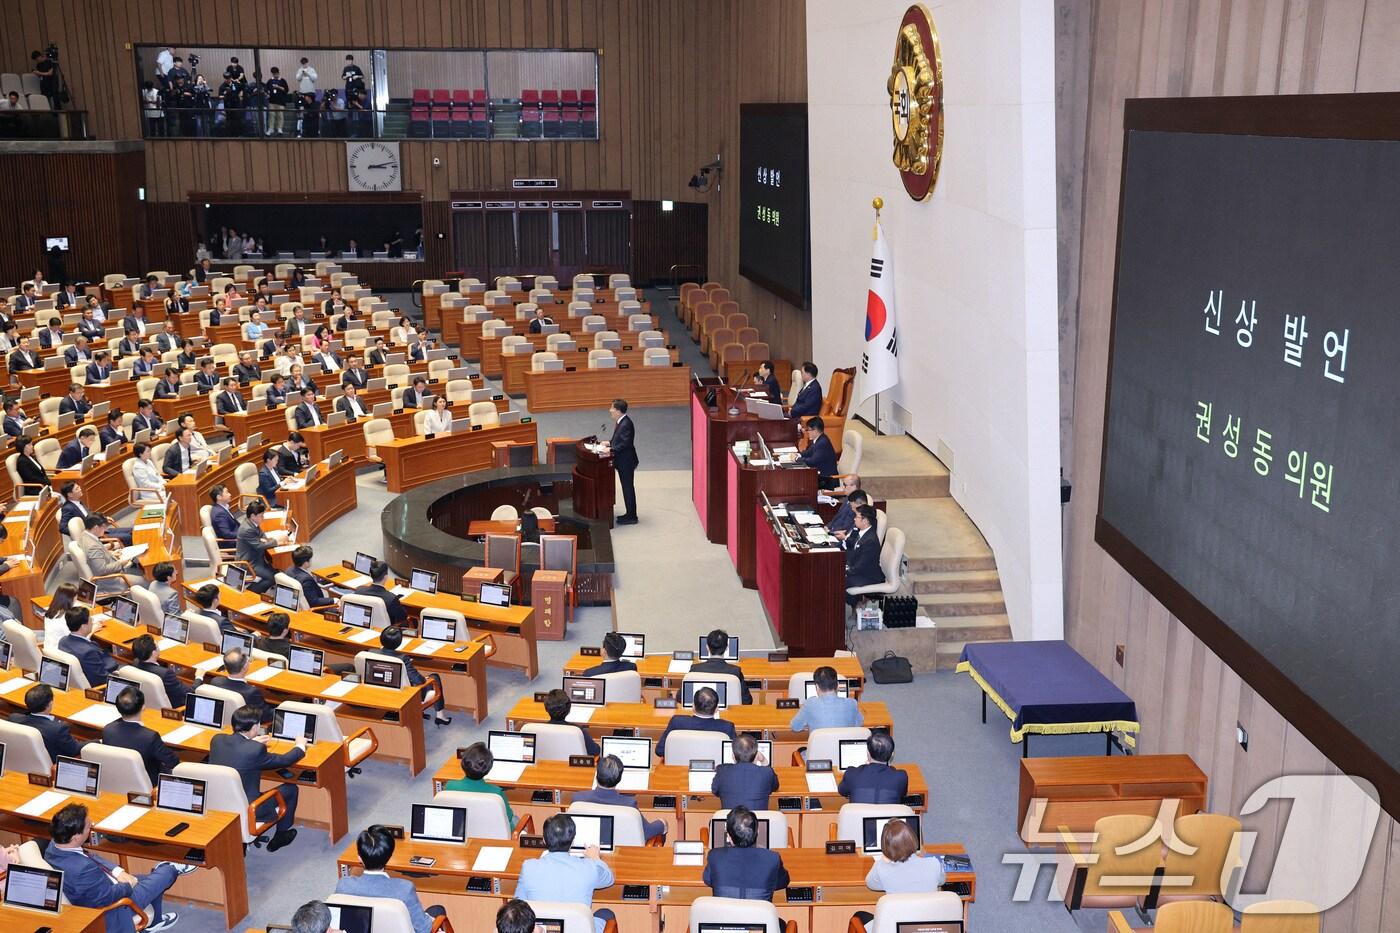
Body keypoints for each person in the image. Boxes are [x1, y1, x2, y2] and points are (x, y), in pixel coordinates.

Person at [46, 802, 190, 932]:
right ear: (76, 837)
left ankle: (155, 922)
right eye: (88, 826)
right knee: (167, 873)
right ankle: (171, 867)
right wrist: (127, 884)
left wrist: (117, 871)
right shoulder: (82, 869)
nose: (92, 825)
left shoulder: (55, 845)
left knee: (151, 880)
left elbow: (87, 855)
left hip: (102, 885)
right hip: (116, 906)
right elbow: (106, 897)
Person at [208, 705, 304, 851]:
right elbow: (284, 760)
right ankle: (281, 836)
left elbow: (238, 751)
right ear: (254, 727)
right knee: (291, 789)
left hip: (219, 803)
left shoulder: (217, 740)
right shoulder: (255, 750)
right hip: (250, 808)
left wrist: (251, 743)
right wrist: (300, 746)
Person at [334, 826, 447, 932]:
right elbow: (424, 929)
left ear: (360, 858)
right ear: (390, 856)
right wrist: (428, 918)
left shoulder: (343, 885)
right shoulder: (404, 890)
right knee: (437, 910)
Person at [515, 814, 615, 933]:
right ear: (573, 840)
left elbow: (517, 904)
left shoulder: (528, 867)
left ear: (543, 840)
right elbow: (609, 879)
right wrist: (596, 858)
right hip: (579, 930)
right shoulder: (589, 868)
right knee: (606, 913)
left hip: (542, 929)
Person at [702, 806, 789, 901]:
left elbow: (708, 880)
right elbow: (783, 882)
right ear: (758, 832)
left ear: (729, 837)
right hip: (760, 916)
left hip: (724, 916)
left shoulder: (714, 856)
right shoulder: (772, 859)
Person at [575, 754, 666, 841]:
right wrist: (662, 823)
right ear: (619, 779)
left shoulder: (578, 798)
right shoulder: (629, 805)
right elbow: (646, 832)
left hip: (587, 850)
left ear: (596, 776)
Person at [103, 686, 180, 785]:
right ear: (143, 707)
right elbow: (173, 762)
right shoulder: (150, 737)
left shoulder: (108, 730)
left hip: (116, 780)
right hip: (149, 783)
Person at [378, 625, 451, 724]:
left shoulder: (371, 652)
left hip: (381, 692)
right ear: (399, 642)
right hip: (405, 695)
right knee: (434, 677)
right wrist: (424, 678)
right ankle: (440, 716)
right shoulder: (403, 658)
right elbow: (418, 680)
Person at [864, 818, 945, 898]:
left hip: (899, 911)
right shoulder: (934, 864)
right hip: (927, 911)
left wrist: (882, 861)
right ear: (913, 838)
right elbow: (942, 881)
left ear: (885, 847)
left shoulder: (882, 869)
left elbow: (870, 884)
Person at [444, 743, 514, 826]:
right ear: (488, 768)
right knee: (515, 819)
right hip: (492, 833)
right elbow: (508, 816)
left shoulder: (450, 786)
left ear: (463, 763)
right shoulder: (496, 793)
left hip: (462, 831)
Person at [656, 686, 735, 757]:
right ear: (716, 709)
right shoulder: (727, 727)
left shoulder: (677, 722)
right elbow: (734, 756)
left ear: (693, 706)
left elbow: (660, 751)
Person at [10, 683, 82, 761]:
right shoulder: (57, 729)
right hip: (52, 764)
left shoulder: (14, 718)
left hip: (22, 760)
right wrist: (95, 741)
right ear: (50, 703)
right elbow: (74, 750)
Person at [711, 732, 779, 812]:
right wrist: (764, 761)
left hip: (731, 823)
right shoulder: (767, 772)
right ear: (757, 754)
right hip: (757, 823)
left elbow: (715, 790)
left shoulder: (722, 771)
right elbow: (775, 787)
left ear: (733, 755)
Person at [80, 513, 145, 591]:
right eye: (104, 527)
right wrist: (121, 563)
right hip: (110, 580)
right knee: (146, 582)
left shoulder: (84, 535)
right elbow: (102, 570)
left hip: (108, 570)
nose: (105, 530)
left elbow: (95, 557)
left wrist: (111, 553)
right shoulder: (92, 547)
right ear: (96, 527)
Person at [839, 731, 909, 804]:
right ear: (892, 755)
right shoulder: (901, 777)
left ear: (868, 753)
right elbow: (901, 794)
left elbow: (842, 791)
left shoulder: (851, 774)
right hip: (888, 815)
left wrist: (862, 767)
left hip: (858, 815)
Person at [59, 605, 119, 686]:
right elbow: (102, 679)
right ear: (83, 626)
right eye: (90, 619)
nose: (92, 621)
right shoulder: (88, 652)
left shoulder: (63, 642)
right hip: (108, 678)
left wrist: (89, 634)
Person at [791, 666, 863, 732]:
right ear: (837, 685)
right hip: (842, 745)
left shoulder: (809, 704)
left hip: (819, 746)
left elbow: (795, 726)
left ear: (817, 687)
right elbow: (859, 724)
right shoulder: (852, 703)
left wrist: (808, 724)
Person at [692, 628, 753, 704]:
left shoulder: (694, 669)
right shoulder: (735, 671)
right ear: (727, 648)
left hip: (703, 710)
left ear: (707, 647)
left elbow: (679, 697)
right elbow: (747, 700)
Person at [605, 398, 639, 524]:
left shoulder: (626, 424)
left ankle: (632, 516)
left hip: (626, 461)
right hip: (623, 460)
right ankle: (629, 513)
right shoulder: (621, 422)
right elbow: (617, 439)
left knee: (628, 487)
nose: (610, 410)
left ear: (618, 411)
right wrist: (608, 443)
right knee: (626, 487)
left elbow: (625, 443)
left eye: (612, 408)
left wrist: (609, 450)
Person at [131, 634, 188, 707]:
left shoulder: (135, 663)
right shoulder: (166, 674)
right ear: (154, 653)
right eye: (157, 645)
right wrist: (199, 677)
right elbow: (188, 694)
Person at [843, 505, 884, 605]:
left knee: (839, 581)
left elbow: (861, 566)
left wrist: (846, 570)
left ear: (865, 520)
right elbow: (854, 553)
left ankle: (855, 606)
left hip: (868, 576)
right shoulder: (863, 532)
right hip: (860, 570)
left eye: (857, 517)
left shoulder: (870, 541)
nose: (854, 519)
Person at [542, 687, 599, 755]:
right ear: (569, 709)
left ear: (546, 708)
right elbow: (595, 751)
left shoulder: (538, 729)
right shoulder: (578, 731)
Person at [237, 499, 278, 593]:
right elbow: (259, 546)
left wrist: (265, 540)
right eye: (261, 516)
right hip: (249, 563)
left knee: (275, 571)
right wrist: (276, 541)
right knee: (272, 578)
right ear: (252, 516)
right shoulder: (247, 529)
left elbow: (261, 534)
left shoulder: (251, 522)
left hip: (257, 557)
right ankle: (251, 593)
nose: (263, 517)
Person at [356, 559, 407, 624]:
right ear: (386, 577)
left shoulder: (359, 591)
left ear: (370, 575)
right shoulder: (391, 599)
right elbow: (403, 617)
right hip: (385, 631)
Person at [797, 416, 839, 488]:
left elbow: (813, 461)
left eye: (808, 430)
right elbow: (809, 452)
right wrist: (798, 455)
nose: (807, 432)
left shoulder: (822, 443)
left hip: (827, 481)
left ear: (815, 430)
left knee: (799, 483)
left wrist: (797, 459)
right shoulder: (820, 438)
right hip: (820, 474)